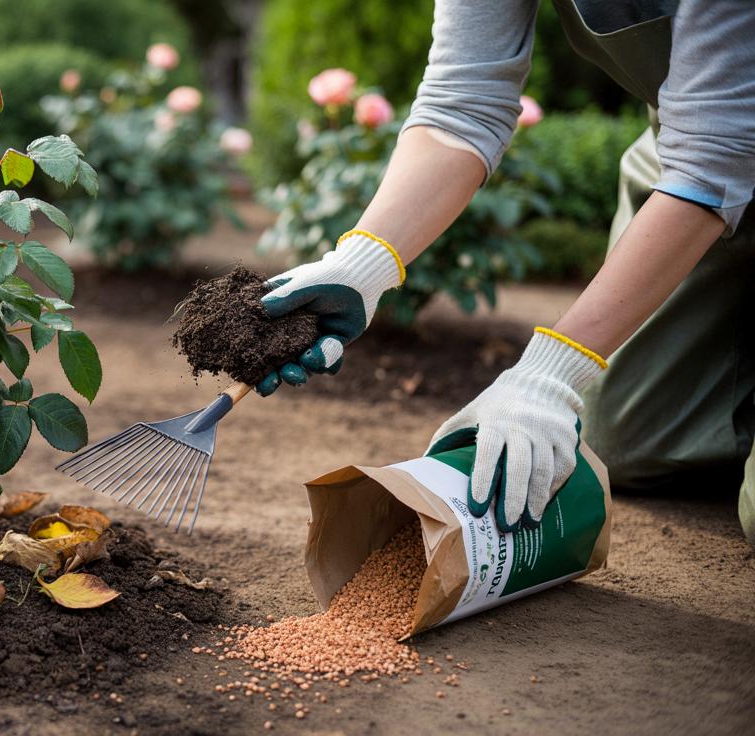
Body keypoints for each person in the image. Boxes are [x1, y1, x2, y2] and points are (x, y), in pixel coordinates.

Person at [256, 0, 755, 541]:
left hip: (709, 157)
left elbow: (714, 156)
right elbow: (461, 105)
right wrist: (360, 264)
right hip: (693, 147)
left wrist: (550, 372)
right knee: (630, 445)